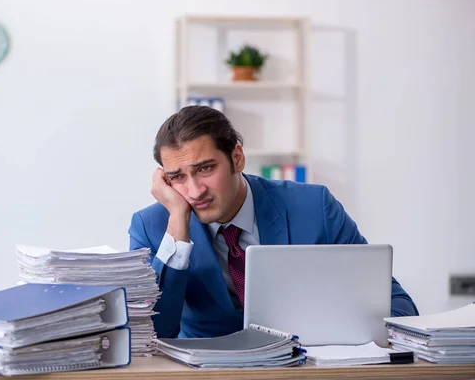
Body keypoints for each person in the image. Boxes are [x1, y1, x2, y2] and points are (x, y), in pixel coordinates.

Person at [128, 105, 419, 339]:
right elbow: (153, 333)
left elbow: (396, 305)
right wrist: (178, 224)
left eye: (205, 168)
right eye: (177, 177)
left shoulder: (314, 207)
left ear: (237, 158)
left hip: (303, 366)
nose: (194, 191)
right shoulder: (152, 227)